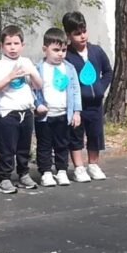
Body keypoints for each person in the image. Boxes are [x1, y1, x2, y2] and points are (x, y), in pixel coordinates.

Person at [62, 11, 113, 182]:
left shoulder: (96, 51)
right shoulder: (67, 55)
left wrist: (100, 88)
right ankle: (79, 167)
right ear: (69, 35)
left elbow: (108, 72)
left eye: (84, 31)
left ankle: (93, 164)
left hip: (95, 104)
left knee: (95, 134)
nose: (82, 36)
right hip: (77, 106)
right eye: (77, 33)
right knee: (76, 135)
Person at [0, 25, 43, 194]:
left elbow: (38, 85)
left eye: (16, 43)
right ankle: (4, 178)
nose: (13, 48)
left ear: (23, 45)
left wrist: (32, 73)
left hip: (26, 112)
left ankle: (23, 174)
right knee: (6, 149)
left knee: (24, 148)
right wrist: (9, 77)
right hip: (8, 112)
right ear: (2, 46)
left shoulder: (26, 62)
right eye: (8, 44)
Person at [33, 28, 83, 187]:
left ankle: (61, 171)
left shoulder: (69, 68)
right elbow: (32, 90)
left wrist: (76, 112)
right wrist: (37, 105)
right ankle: (46, 172)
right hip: (45, 117)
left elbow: (75, 90)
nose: (60, 54)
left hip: (63, 115)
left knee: (62, 144)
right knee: (44, 145)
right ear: (45, 49)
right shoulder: (38, 68)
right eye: (56, 50)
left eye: (63, 50)